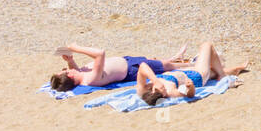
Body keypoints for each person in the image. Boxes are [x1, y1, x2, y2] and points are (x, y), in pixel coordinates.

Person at [136, 42, 249, 106]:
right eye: (163, 92)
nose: (164, 91)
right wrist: (191, 88)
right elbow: (189, 95)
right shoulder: (170, 92)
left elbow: (142, 66)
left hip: (185, 71)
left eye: (161, 89)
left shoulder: (143, 89)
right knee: (207, 46)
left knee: (213, 68)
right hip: (196, 76)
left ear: (152, 89)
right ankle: (223, 76)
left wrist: (155, 80)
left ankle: (235, 69)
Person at [48, 44, 189, 91]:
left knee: (155, 61)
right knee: (167, 67)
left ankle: (176, 57)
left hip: (127, 62)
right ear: (70, 76)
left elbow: (76, 71)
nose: (67, 68)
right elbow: (100, 54)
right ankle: (191, 64)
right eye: (65, 70)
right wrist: (76, 48)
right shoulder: (90, 79)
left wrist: (71, 60)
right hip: (132, 69)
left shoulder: (80, 76)